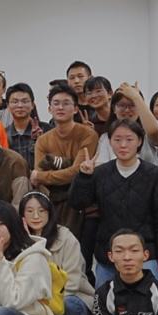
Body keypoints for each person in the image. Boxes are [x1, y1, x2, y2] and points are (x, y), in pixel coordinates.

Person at [70, 119, 158, 288]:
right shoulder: (100, 173)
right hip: (108, 255)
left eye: (129, 139)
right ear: (109, 142)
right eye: (117, 139)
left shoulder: (156, 176)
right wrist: (84, 177)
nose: (123, 145)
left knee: (148, 301)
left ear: (139, 141)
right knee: (106, 301)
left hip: (145, 255)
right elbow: (78, 203)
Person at [19, 191, 94, 315]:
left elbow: (72, 282)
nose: (36, 216)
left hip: (70, 296)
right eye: (30, 211)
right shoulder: (17, 240)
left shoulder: (65, 237)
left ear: (50, 213)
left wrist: (48, 306)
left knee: (69, 306)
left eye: (41, 211)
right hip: (32, 301)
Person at [30, 83, 99, 238]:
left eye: (66, 103)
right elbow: (40, 176)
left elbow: (76, 172)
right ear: (50, 109)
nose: (60, 107)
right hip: (53, 198)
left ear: (75, 109)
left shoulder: (88, 135)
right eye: (56, 103)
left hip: (81, 197)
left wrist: (43, 173)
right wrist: (65, 165)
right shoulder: (43, 140)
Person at [95, 82, 158, 165]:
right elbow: (101, 166)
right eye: (122, 105)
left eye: (132, 105)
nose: (127, 110)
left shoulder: (147, 133)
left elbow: (153, 131)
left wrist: (136, 97)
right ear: (114, 109)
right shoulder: (106, 137)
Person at [0, 82, 50, 171]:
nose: (20, 106)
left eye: (25, 101)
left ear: (32, 105)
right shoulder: (3, 134)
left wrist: (41, 143)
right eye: (15, 102)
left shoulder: (47, 130)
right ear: (8, 106)